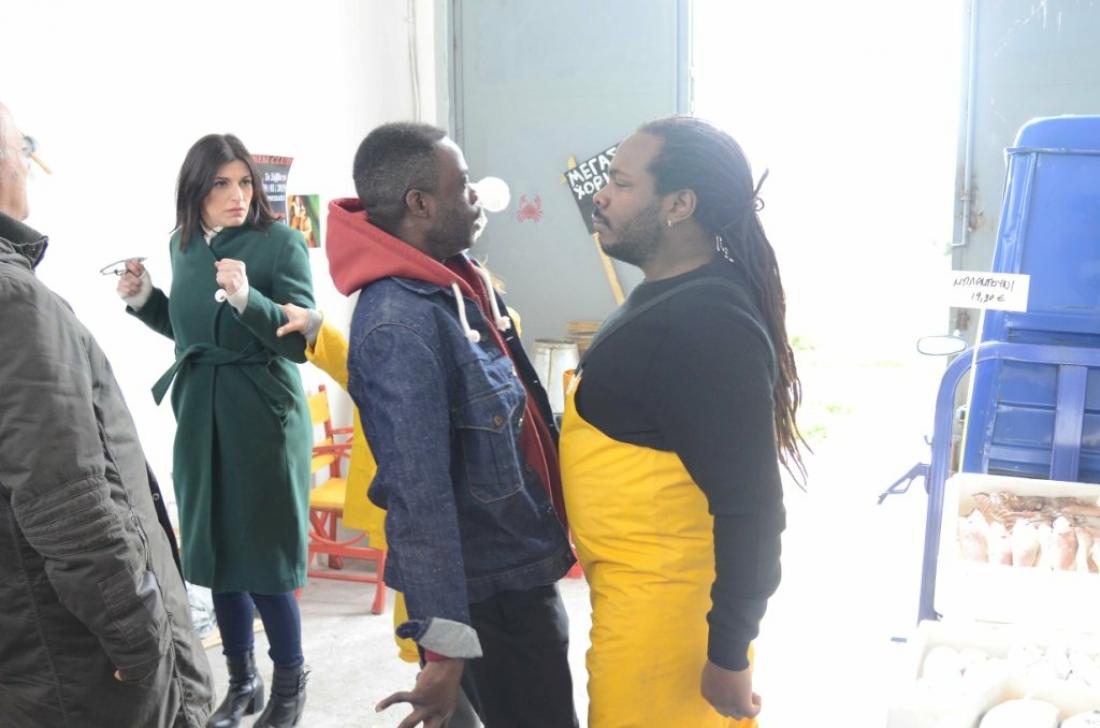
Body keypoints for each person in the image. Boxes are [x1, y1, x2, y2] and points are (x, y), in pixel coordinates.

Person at [325, 121, 577, 728]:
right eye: (462, 184)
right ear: (419, 204)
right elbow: (419, 498)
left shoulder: (453, 282)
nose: (476, 195)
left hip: (518, 566)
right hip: (491, 591)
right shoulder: (398, 325)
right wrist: (443, 649)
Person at [560, 115, 805, 727]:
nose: (601, 196)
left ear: (679, 204)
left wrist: (728, 653)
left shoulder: (705, 325)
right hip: (636, 606)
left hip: (668, 634)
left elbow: (753, 508)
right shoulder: (676, 294)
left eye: (621, 183)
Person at [0, 103, 215, 726]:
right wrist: (139, 638)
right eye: (25, 147)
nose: (29, 165)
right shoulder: (14, 300)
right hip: (71, 664)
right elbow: (66, 500)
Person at [117, 133, 315, 728]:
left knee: (266, 559)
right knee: (218, 555)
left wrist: (249, 298)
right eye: (222, 183)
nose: (237, 195)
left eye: (245, 182)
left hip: (264, 416)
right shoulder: (182, 246)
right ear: (195, 190)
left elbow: (300, 342)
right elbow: (190, 331)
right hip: (201, 415)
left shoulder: (281, 244)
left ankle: (290, 685)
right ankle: (243, 681)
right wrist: (146, 299)